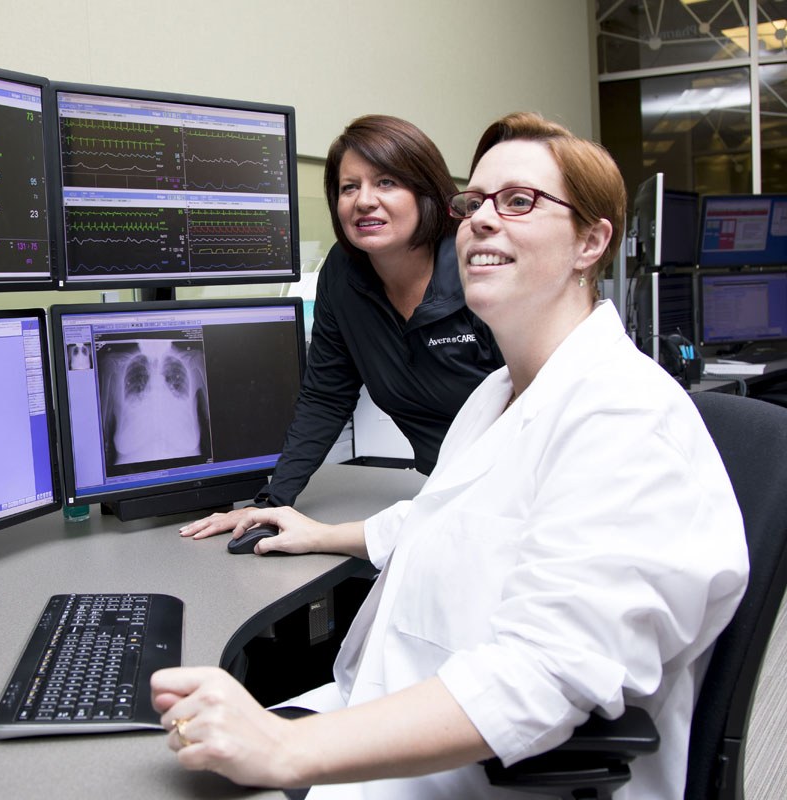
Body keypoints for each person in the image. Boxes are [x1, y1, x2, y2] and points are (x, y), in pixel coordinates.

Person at [150, 112, 749, 798]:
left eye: (519, 201)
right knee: (167, 763)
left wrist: (290, 747)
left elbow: (545, 676)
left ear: (590, 240)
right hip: (395, 700)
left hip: (488, 768)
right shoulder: (499, 393)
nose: (483, 221)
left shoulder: (626, 421)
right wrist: (312, 527)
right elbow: (454, 515)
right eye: (475, 203)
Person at [182, 115, 503, 539]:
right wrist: (272, 502)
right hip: (448, 497)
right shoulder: (343, 275)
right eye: (349, 187)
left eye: (387, 182)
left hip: (523, 495)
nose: (364, 201)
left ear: (427, 193)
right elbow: (326, 398)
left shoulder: (479, 266)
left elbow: (532, 408)